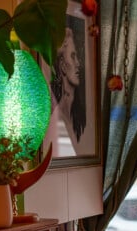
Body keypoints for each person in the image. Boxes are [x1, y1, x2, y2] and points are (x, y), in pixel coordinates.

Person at [51, 26, 87, 154]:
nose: (78, 63)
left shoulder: (79, 115)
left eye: (77, 57)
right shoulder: (57, 115)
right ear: (62, 66)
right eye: (73, 56)